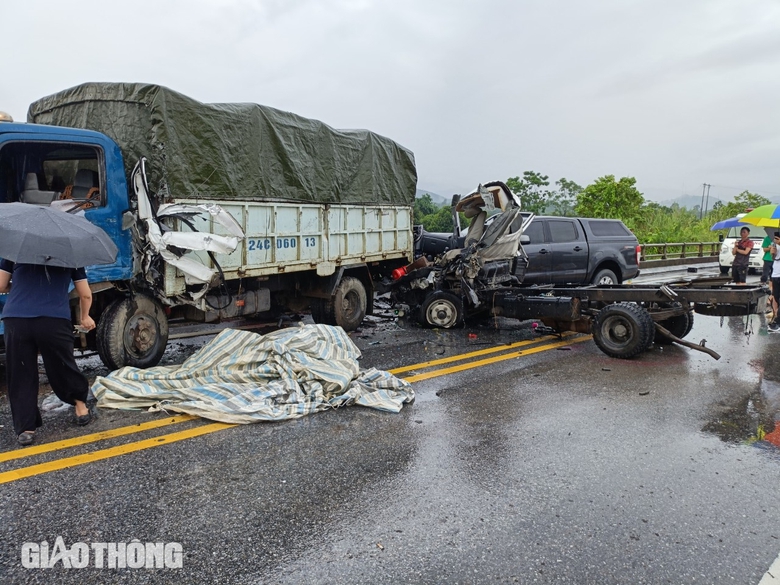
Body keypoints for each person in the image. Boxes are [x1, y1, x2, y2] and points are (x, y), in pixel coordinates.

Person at [0, 261, 95, 446]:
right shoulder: (70, 257)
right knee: (62, 365)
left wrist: (20, 286)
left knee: (21, 373)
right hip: (53, 320)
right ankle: (81, 408)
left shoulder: (16, 254)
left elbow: (1, 285)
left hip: (16, 319)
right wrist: (85, 317)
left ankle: (25, 430)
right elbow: (85, 294)